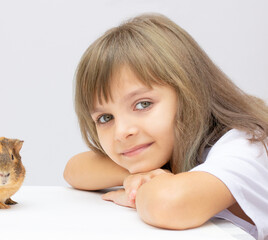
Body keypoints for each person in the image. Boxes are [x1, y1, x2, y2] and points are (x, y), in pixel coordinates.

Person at [63, 14, 268, 240]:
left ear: (190, 92)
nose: (122, 132)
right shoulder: (169, 147)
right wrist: (139, 175)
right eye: (105, 118)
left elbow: (167, 204)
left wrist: (138, 190)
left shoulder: (248, 144)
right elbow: (74, 170)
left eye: (143, 104)